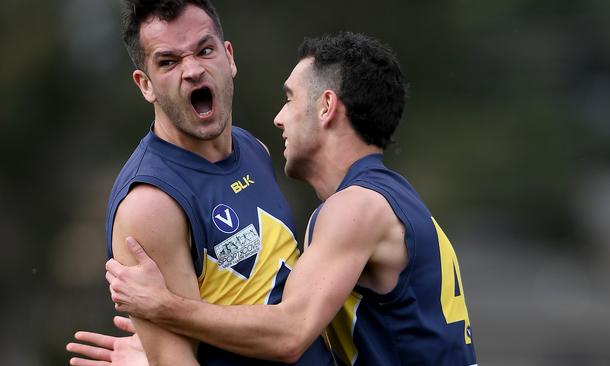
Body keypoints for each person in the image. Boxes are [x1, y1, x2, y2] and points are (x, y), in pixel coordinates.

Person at [76, 32, 478, 365]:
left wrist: (163, 307)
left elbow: (289, 334)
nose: (278, 118)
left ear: (326, 107)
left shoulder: (355, 209)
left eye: (289, 99)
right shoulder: (387, 196)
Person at [65, 0, 333, 365]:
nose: (192, 70)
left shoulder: (253, 148)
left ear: (229, 57)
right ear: (145, 85)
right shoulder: (150, 205)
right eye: (168, 62)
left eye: (204, 51)